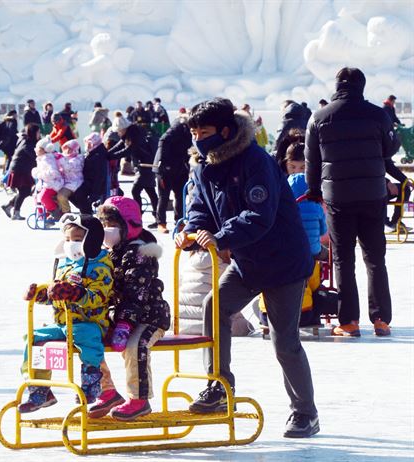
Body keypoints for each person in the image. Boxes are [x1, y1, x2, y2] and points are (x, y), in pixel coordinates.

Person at [175, 97, 319, 438]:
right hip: (247, 261)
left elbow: (260, 216)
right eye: (194, 132)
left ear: (226, 131)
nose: (198, 138)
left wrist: (220, 236)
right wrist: (190, 232)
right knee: (214, 307)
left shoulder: (256, 162)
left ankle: (305, 413)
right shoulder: (204, 167)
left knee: (283, 341)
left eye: (205, 131)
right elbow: (199, 210)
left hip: (282, 260)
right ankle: (219, 387)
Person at [305, 67, 398, 337]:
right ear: (362, 86)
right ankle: (381, 319)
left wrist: (313, 191)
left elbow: (313, 160)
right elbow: (390, 148)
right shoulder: (377, 114)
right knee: (375, 258)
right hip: (372, 194)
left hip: (338, 198)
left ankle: (349, 322)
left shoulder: (319, 117)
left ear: (336, 86)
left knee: (343, 260)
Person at [87, 196, 170, 421]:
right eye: (103, 225)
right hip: (121, 316)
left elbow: (137, 294)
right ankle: (107, 391)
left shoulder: (140, 252)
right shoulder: (107, 253)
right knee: (88, 338)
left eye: (112, 226)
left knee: (135, 345)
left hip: (149, 317)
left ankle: (139, 399)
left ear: (129, 226)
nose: (106, 231)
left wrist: (125, 323)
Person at [19, 213, 112, 412]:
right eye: (68, 240)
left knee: (82, 334)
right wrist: (41, 295)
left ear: (91, 240)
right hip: (64, 323)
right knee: (33, 337)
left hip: (91, 323)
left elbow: (99, 296)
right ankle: (40, 389)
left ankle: (91, 381)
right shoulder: (64, 263)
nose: (71, 245)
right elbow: (56, 295)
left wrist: (75, 293)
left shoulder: (100, 265)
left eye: (77, 240)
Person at [108, 124, 159, 226]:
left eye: (119, 131)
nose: (118, 133)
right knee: (151, 192)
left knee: (136, 191)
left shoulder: (134, 138)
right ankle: (157, 218)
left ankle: (140, 216)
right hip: (144, 167)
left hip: (145, 167)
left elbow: (126, 151)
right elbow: (118, 146)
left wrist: (110, 156)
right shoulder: (128, 137)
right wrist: (108, 153)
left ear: (124, 129)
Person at [152, 115, 192, 233]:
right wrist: (162, 161)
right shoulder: (178, 127)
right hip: (165, 169)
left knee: (180, 196)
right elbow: (163, 140)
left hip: (179, 168)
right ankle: (161, 223)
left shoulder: (190, 130)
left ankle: (179, 222)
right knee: (164, 197)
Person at [1, 123, 40, 220]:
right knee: (24, 191)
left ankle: (9, 206)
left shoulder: (27, 140)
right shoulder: (27, 142)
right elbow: (35, 155)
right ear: (33, 133)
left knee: (25, 191)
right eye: (38, 132)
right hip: (19, 170)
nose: (39, 134)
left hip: (22, 169)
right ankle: (15, 212)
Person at [70, 132, 109, 215]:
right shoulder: (93, 152)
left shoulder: (98, 155)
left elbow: (99, 177)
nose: (87, 145)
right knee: (71, 193)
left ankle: (87, 213)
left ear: (94, 143)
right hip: (88, 182)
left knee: (77, 194)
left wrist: (94, 194)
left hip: (95, 185)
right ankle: (86, 210)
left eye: (88, 143)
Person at [31, 136, 63, 220]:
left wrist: (39, 174)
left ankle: (55, 212)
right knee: (36, 196)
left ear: (44, 149)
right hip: (45, 183)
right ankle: (43, 215)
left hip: (53, 183)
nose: (35, 149)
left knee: (43, 197)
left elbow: (53, 172)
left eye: (37, 148)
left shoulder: (48, 159)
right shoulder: (41, 158)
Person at [56, 139, 84, 215]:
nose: (67, 150)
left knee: (61, 196)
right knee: (51, 193)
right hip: (65, 182)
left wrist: (60, 158)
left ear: (75, 149)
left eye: (70, 148)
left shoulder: (78, 158)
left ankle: (67, 214)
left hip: (74, 183)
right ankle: (56, 212)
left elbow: (68, 167)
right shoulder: (65, 157)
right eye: (66, 148)